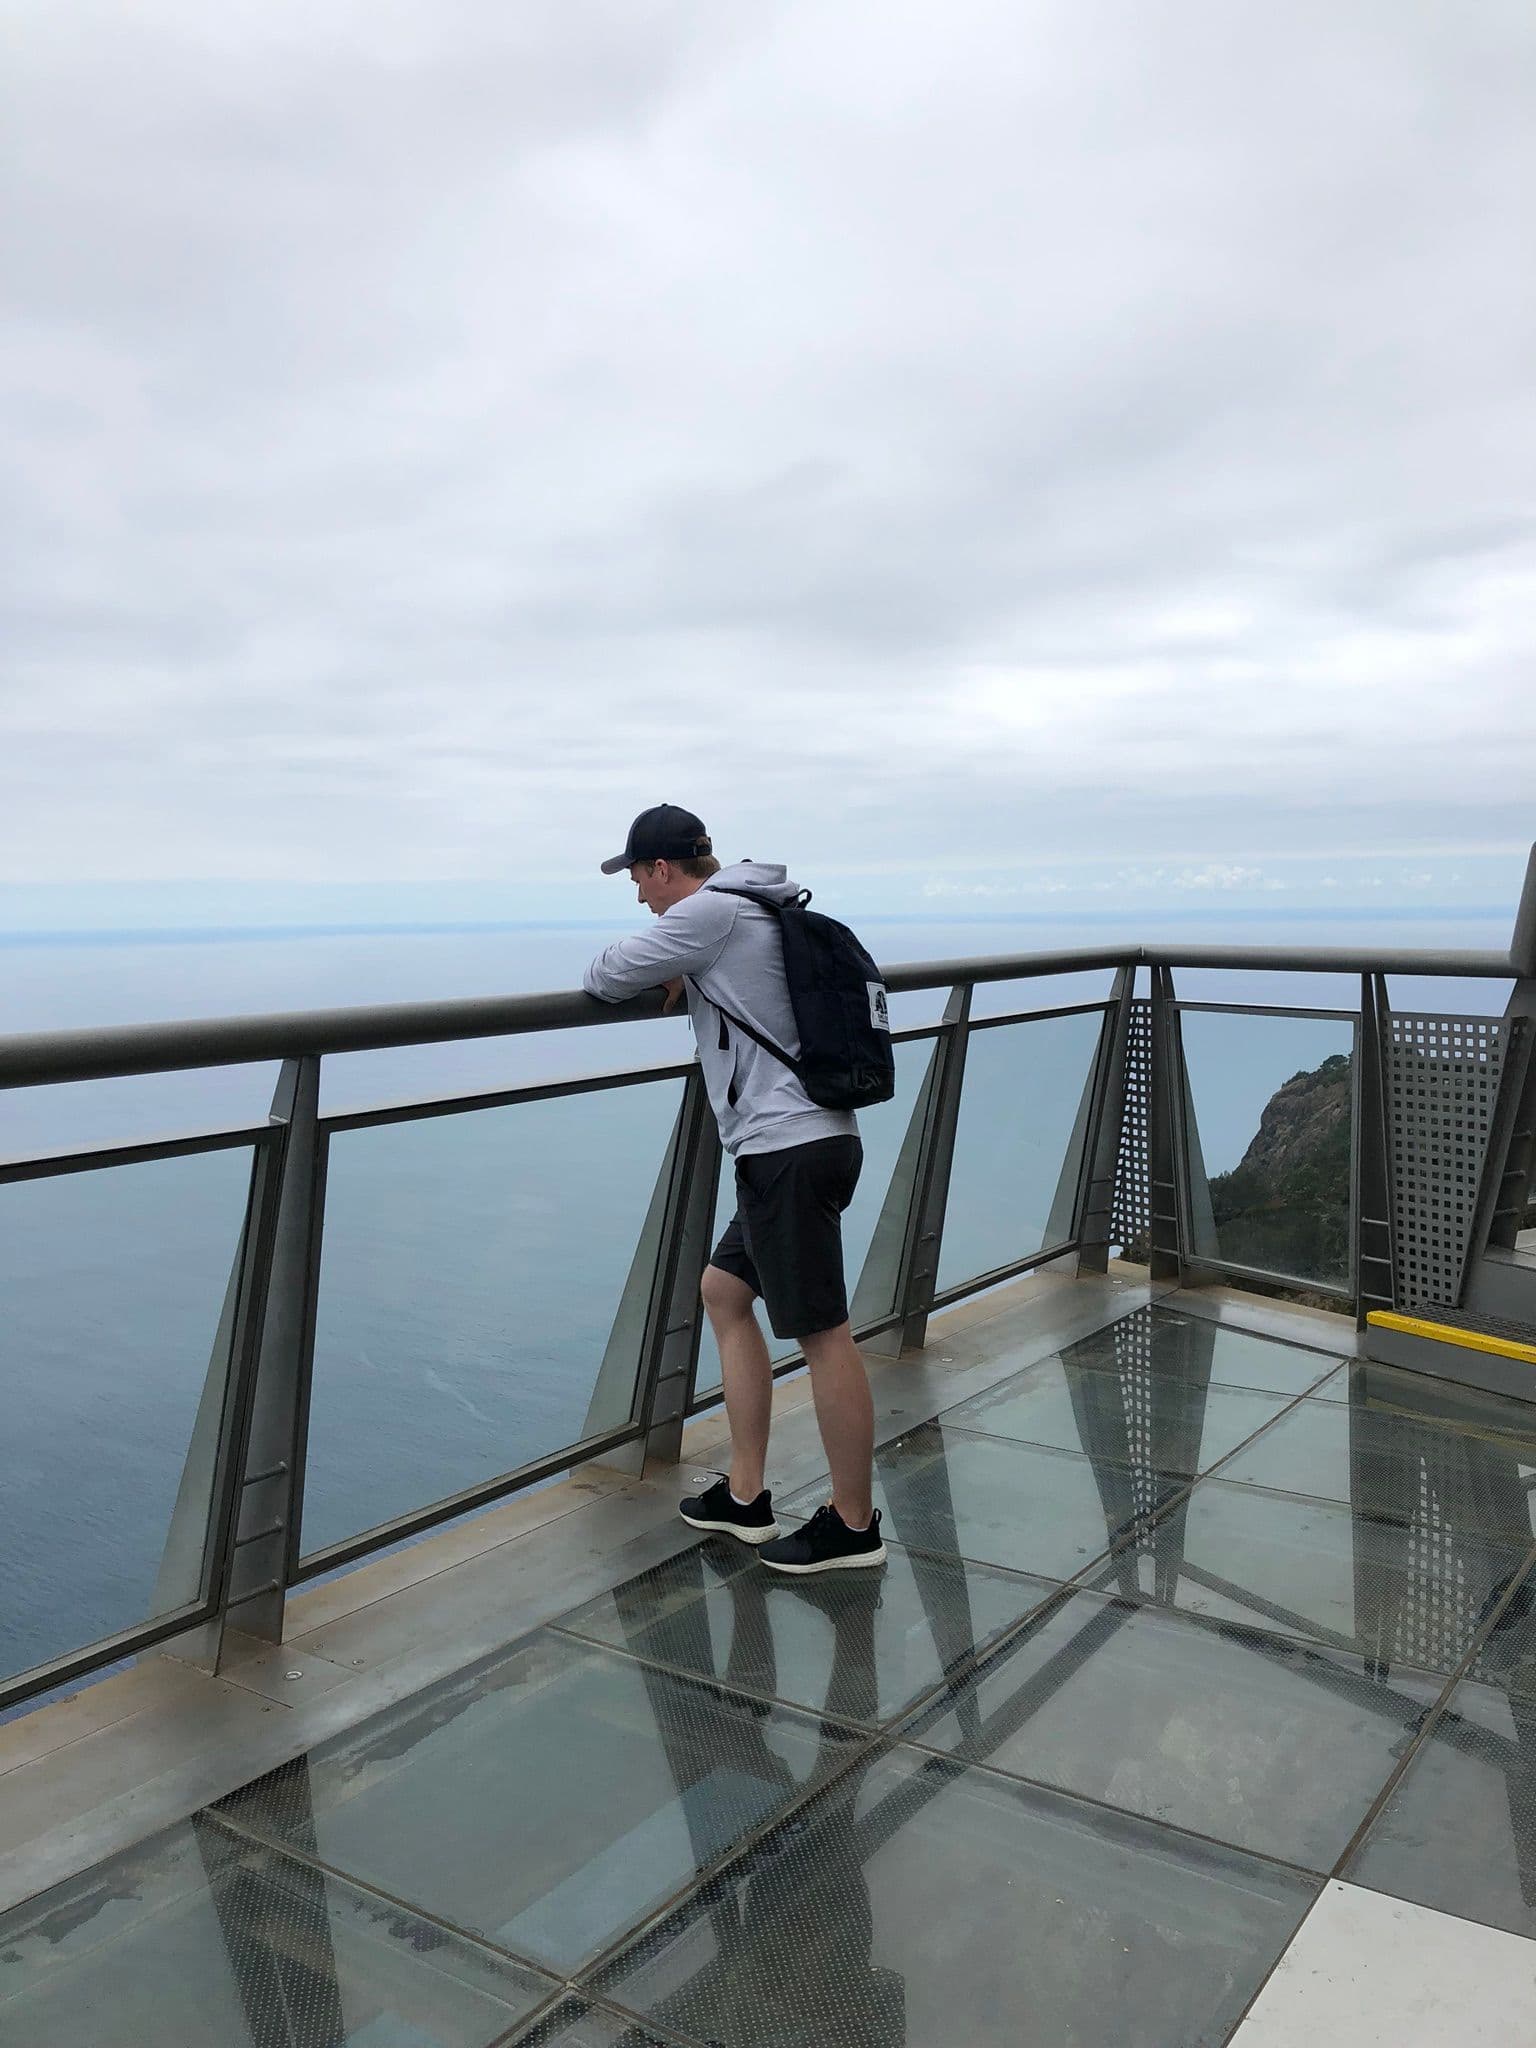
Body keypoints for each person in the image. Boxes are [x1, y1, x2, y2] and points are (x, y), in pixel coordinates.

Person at [584, 803, 886, 1574]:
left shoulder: (709, 914)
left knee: (823, 1336)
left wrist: (674, 958)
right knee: (723, 1290)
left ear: (662, 868)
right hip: (805, 1141)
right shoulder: (756, 909)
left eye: (640, 881)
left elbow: (606, 974)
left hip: (788, 1150)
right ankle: (747, 1496)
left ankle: (853, 1525)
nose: (640, 898)